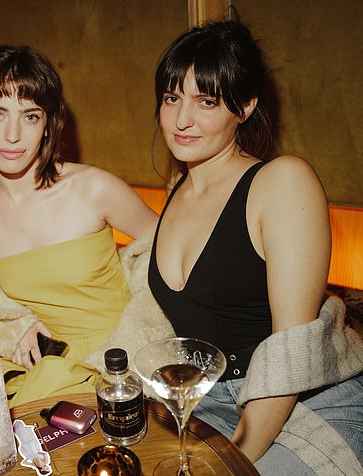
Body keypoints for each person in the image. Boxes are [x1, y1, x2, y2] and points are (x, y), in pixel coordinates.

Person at [147, 20, 363, 474]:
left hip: (304, 404)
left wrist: (233, 459)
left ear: (245, 107)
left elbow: (292, 354)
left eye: (206, 102)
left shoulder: (281, 182)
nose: (181, 120)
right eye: (172, 98)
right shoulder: (175, 189)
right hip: (210, 401)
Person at [0, 45, 167, 408]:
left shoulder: (94, 188)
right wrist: (14, 328)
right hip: (38, 370)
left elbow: (173, 256)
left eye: (30, 116)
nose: (13, 135)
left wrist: (140, 339)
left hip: (122, 363)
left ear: (49, 124)